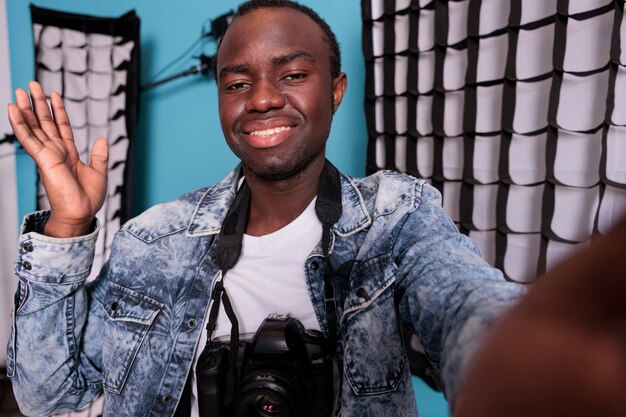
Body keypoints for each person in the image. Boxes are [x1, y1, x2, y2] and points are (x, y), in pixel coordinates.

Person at [5, 1, 525, 416]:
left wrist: (533, 361)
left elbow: (468, 307)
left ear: (337, 90)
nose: (261, 99)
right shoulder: (151, 239)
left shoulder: (396, 219)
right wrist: (67, 226)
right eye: (237, 83)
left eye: (293, 75)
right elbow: (46, 399)